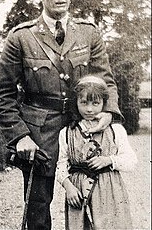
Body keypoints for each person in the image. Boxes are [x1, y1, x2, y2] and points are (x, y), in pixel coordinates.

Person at [0, 0, 123, 230]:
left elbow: (105, 79)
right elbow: (3, 95)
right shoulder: (21, 37)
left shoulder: (88, 33)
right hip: (39, 135)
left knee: (89, 204)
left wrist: (108, 113)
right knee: (38, 210)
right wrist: (20, 137)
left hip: (83, 131)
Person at [56, 75, 137, 230]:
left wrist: (109, 160)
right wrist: (68, 187)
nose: (89, 109)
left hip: (110, 190)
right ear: (76, 102)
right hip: (78, 192)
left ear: (104, 103)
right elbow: (60, 164)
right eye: (84, 103)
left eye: (96, 103)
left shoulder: (115, 130)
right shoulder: (66, 132)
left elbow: (131, 160)